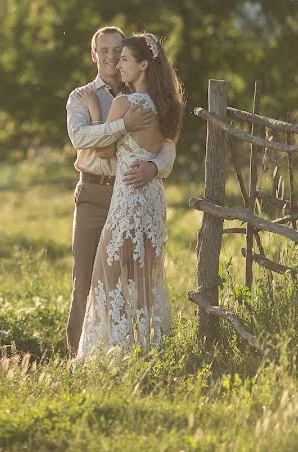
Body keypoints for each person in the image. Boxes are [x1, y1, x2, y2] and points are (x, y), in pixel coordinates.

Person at [65, 26, 177, 356]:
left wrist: (154, 167)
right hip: (96, 194)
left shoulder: (137, 96)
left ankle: (124, 354)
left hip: (132, 190)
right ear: (94, 55)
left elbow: (168, 148)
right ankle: (79, 353)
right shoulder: (82, 96)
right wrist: (121, 126)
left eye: (119, 51)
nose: (113, 57)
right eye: (106, 50)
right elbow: (82, 139)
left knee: (133, 277)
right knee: (87, 278)